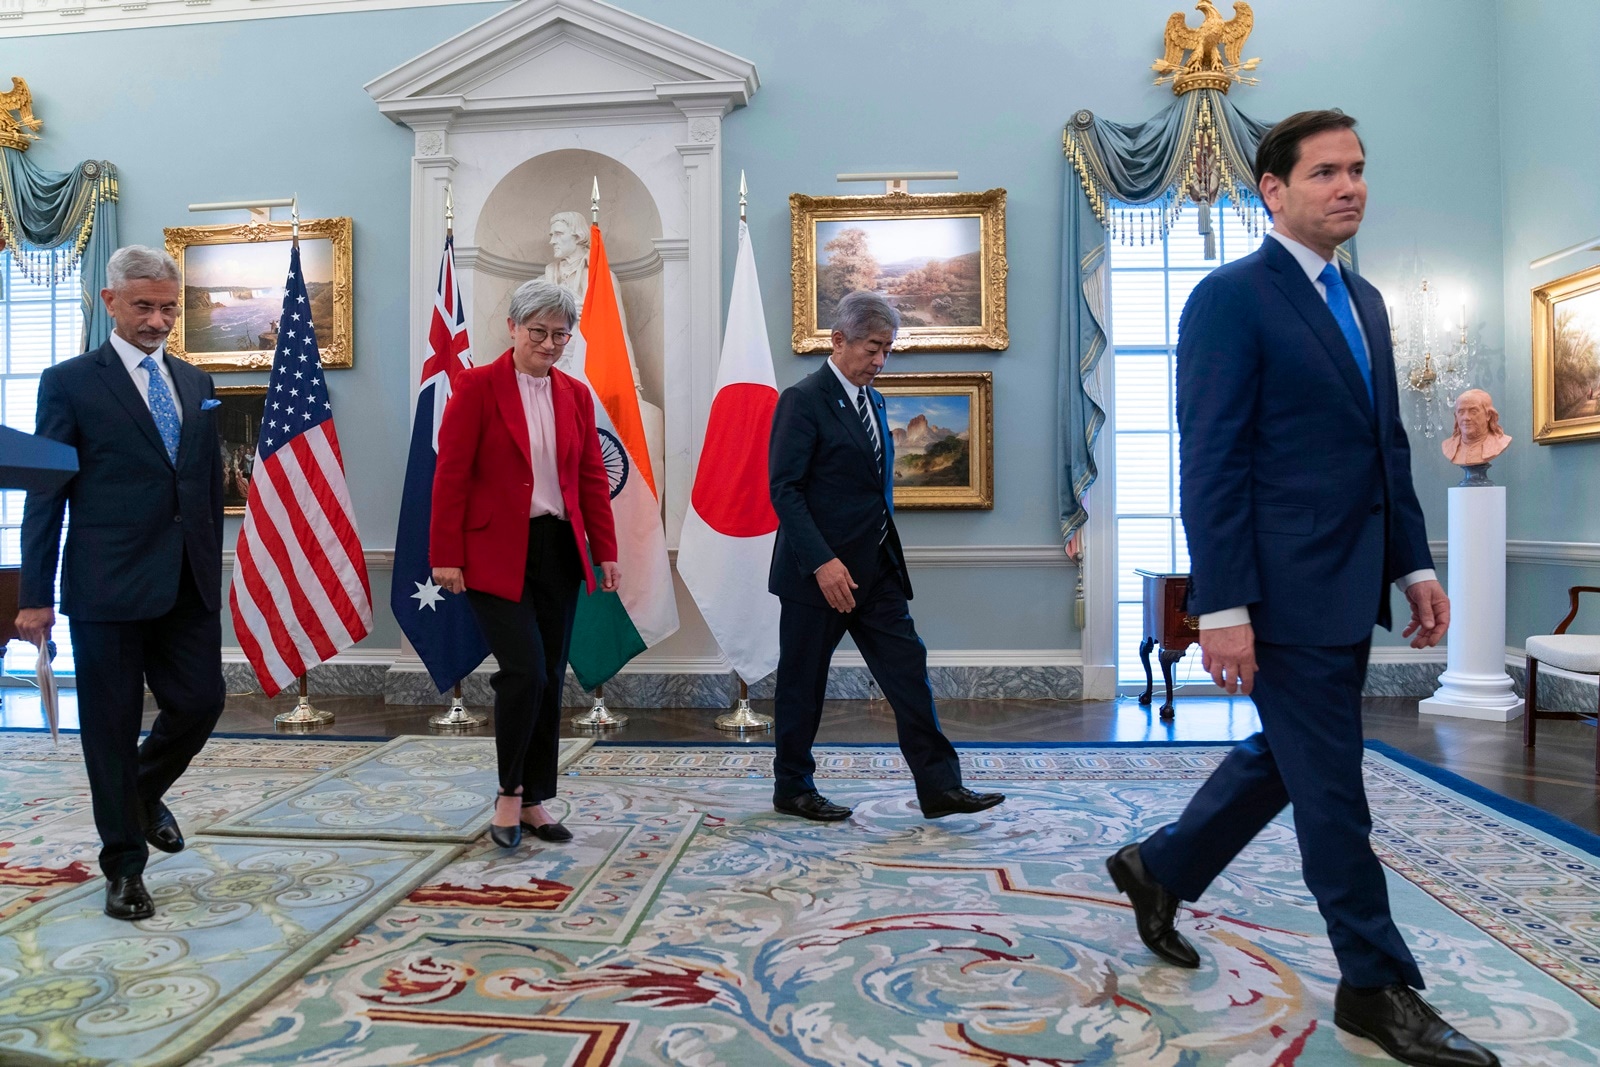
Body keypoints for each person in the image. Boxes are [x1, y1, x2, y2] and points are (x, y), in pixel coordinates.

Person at [1104, 112, 1498, 1067]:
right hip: (1278, 591)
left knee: (1292, 755)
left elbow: (1384, 448)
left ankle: (1160, 865)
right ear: (1272, 190)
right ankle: (1374, 983)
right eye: (1325, 172)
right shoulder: (1230, 298)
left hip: (1348, 578)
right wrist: (1224, 605)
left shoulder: (1363, 301)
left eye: (1358, 169)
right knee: (1333, 791)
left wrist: (1414, 562)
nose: (1349, 186)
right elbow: (1212, 461)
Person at [15, 245, 226, 922]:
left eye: (168, 307)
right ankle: (124, 868)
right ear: (109, 302)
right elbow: (46, 495)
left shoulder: (196, 383)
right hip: (105, 586)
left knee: (200, 703)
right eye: (144, 306)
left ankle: (138, 788)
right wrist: (33, 595)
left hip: (186, 582)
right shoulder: (69, 382)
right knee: (107, 727)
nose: (159, 319)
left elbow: (197, 487)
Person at [766, 289, 1003, 823]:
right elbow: (785, 490)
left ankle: (940, 787)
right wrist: (823, 562)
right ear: (839, 340)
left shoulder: (875, 402)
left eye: (888, 349)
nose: (880, 360)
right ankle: (792, 788)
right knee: (803, 683)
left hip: (877, 571)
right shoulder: (802, 401)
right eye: (873, 348)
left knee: (907, 672)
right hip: (816, 574)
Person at [430, 279, 619, 850]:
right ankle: (509, 793)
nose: (550, 344)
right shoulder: (477, 386)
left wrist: (605, 551)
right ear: (513, 328)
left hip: (558, 552)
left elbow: (591, 479)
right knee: (526, 671)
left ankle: (536, 799)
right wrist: (445, 555)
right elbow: (452, 475)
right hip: (493, 553)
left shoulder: (575, 395)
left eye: (561, 334)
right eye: (538, 332)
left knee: (549, 675)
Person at [1441, 388, 1511, 466]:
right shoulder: (1448, 446)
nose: (1466, 418)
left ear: (1488, 415)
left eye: (1473, 412)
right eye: (1461, 412)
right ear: (1456, 416)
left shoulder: (1500, 442)